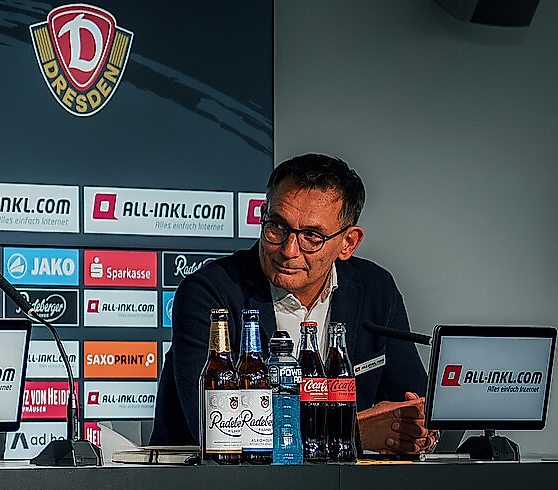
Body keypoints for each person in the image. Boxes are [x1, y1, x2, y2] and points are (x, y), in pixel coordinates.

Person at [152, 153, 432, 454]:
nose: (288, 249)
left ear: (348, 242)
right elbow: (218, 430)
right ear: (263, 215)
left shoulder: (376, 289)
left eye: (311, 236)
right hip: (215, 489)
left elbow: (413, 404)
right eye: (277, 227)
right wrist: (352, 432)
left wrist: (417, 432)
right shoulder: (209, 293)